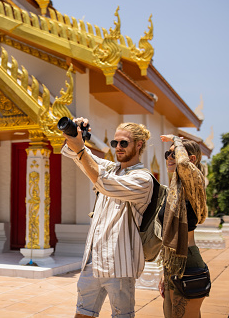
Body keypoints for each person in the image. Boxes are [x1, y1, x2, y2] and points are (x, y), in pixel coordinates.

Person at [61, 118, 153, 318]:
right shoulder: (112, 168)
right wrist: (75, 135)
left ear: (139, 145)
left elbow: (104, 184)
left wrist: (81, 150)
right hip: (93, 261)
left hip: (120, 265)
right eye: (115, 143)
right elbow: (76, 156)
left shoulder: (143, 179)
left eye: (123, 143)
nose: (118, 147)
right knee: (82, 314)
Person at [158, 135, 209, 318]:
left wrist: (176, 140)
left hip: (187, 261)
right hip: (172, 261)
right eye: (167, 154)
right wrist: (164, 272)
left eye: (175, 154)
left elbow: (185, 167)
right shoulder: (174, 190)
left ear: (191, 159)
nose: (169, 158)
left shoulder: (193, 185)